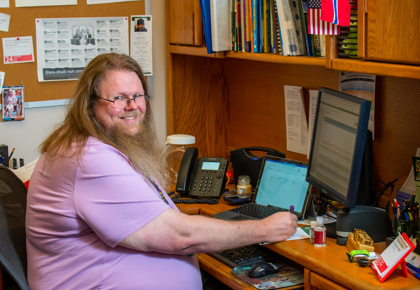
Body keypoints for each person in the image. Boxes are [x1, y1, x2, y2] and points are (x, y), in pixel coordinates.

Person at [26, 53, 297, 290]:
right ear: (90, 105)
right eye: (118, 98)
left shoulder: (87, 142)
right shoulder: (89, 159)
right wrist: (262, 229)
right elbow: (180, 236)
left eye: (138, 96)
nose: (132, 106)